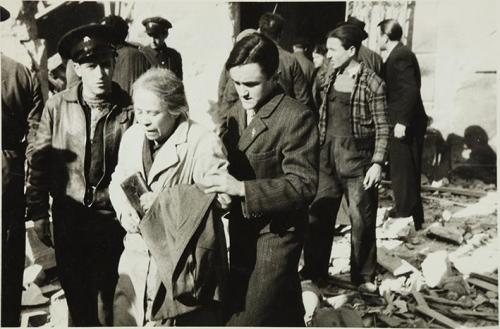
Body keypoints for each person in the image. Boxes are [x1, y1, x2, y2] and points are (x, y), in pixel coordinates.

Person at [200, 33, 319, 326]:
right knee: (280, 308)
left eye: (251, 84)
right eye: (236, 83)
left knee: (250, 317)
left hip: (278, 233)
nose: (243, 92)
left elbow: (303, 184)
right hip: (242, 228)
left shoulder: (295, 117)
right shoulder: (232, 115)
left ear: (274, 76)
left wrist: (241, 188)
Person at [26, 23, 134, 326]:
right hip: (69, 220)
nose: (100, 74)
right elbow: (40, 160)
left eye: (106, 65)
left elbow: (139, 167)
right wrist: (37, 213)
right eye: (91, 66)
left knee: (109, 303)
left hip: (113, 221)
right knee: (78, 300)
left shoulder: (130, 109)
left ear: (114, 64)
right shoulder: (57, 106)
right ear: (78, 68)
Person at [109, 68, 231, 326]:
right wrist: (123, 211)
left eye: (153, 113)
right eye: (139, 111)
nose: (144, 120)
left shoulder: (202, 142)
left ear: (175, 109)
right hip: (136, 257)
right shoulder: (132, 137)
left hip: (181, 266)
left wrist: (166, 202)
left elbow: (222, 198)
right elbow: (118, 179)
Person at [301, 24, 390, 293]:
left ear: (351, 50)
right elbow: (317, 111)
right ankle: (315, 272)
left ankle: (363, 275)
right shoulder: (327, 76)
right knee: (319, 215)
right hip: (327, 156)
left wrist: (377, 163)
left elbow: (383, 126)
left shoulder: (373, 83)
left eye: (332, 50)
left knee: (361, 219)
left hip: (358, 159)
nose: (327, 55)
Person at [1, 5, 44, 326]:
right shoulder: (19, 73)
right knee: (8, 255)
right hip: (10, 172)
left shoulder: (18, 73)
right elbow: (36, 135)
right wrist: (30, 178)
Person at [378, 19, 428, 230]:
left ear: (385, 36)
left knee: (402, 171)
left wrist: (402, 122)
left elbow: (410, 90)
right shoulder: (400, 54)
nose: (378, 38)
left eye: (379, 34)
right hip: (405, 120)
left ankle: (405, 216)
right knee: (407, 169)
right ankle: (415, 217)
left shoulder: (400, 55)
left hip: (404, 123)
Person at [258, 12, 314, 109]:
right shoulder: (290, 60)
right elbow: (303, 100)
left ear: (260, 31)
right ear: (281, 34)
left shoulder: (248, 56)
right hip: (284, 118)